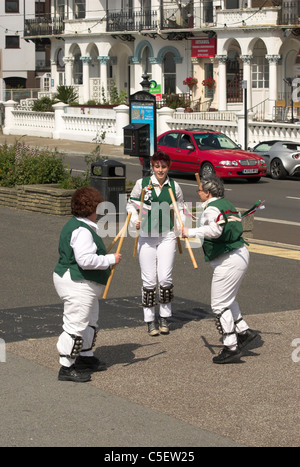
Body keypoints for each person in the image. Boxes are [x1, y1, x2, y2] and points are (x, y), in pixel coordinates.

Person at [182, 175, 258, 364]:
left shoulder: (212, 208)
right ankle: (243, 331)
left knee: (218, 304)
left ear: (208, 193)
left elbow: (216, 231)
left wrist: (190, 232)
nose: (198, 193)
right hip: (239, 254)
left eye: (200, 190)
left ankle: (231, 347)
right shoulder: (225, 203)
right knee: (227, 298)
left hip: (229, 258)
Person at [53, 186, 122, 382]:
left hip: (79, 282)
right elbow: (84, 260)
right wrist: (110, 259)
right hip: (76, 282)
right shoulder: (82, 231)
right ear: (91, 208)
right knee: (75, 323)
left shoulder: (78, 224)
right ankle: (66, 367)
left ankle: (85, 357)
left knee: (90, 320)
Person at [126, 151, 185, 336]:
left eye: (164, 166)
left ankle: (165, 318)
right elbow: (131, 205)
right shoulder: (142, 184)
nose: (160, 170)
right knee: (149, 280)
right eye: (157, 166)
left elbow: (180, 207)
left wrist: (181, 224)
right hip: (146, 235)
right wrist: (134, 218)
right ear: (152, 166)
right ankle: (150, 320)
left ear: (169, 167)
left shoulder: (174, 186)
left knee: (165, 278)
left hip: (167, 235)